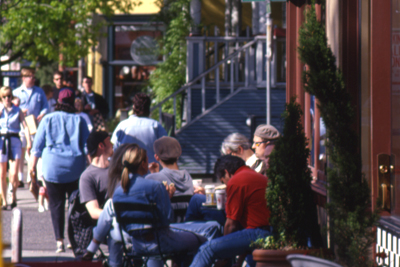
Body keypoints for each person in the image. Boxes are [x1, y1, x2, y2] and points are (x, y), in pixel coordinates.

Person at [84, 144, 221, 267]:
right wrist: (166, 198)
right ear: (143, 163)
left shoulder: (118, 192)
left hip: (138, 244)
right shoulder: (155, 187)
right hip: (162, 242)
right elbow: (167, 219)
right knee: (212, 228)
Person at [30, 89, 90, 253]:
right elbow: (87, 148)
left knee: (56, 205)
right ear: (72, 103)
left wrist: (32, 170)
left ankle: (59, 241)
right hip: (75, 168)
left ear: (58, 102)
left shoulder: (47, 119)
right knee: (74, 206)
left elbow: (37, 147)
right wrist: (92, 168)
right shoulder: (80, 120)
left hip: (53, 168)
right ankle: (73, 239)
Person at [189, 155, 271, 267]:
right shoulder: (258, 177)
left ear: (226, 172)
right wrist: (238, 262)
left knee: (205, 250)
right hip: (267, 232)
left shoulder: (237, 181)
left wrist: (224, 258)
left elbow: (231, 226)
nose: (226, 185)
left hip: (258, 233)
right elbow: (244, 231)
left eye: (223, 181)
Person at [13, 67, 49, 186]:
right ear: (24, 78)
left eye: (34, 77)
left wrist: (42, 114)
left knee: (32, 150)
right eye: (31, 77)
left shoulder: (39, 91)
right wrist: (19, 110)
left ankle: (31, 177)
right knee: (21, 151)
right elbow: (12, 108)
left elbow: (45, 106)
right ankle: (20, 178)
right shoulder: (16, 92)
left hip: (35, 126)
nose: (33, 79)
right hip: (21, 126)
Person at [111, 93, 167, 165]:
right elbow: (166, 149)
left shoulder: (122, 126)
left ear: (133, 107)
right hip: (151, 172)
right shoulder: (155, 126)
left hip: (127, 172)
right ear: (148, 108)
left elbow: (114, 150)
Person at [0, 86, 31, 209]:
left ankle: (13, 195)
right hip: (1, 140)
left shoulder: (17, 110)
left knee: (13, 173)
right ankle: (4, 200)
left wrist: (28, 142)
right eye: (4, 97)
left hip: (14, 140)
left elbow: (25, 126)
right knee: (2, 174)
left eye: (9, 96)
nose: (7, 99)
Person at [79, 131, 113, 220]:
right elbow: (93, 211)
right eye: (109, 141)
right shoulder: (87, 177)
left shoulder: (118, 169)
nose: (112, 144)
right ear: (101, 146)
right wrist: (117, 217)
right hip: (106, 223)